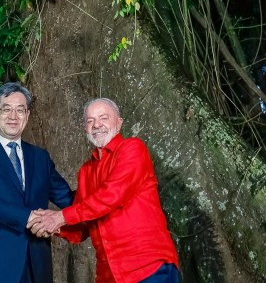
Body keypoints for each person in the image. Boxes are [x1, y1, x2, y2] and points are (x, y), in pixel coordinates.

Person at [29, 98, 180, 283]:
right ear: (85, 128)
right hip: (109, 272)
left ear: (119, 122)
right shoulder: (86, 171)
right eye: (90, 120)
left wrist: (59, 217)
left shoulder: (132, 148)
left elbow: (112, 196)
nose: (97, 125)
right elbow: (82, 227)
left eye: (103, 118)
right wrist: (47, 225)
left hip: (147, 265)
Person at [0, 83, 74, 283]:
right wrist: (27, 217)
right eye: (6, 109)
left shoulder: (40, 157)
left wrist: (106, 189)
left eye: (20, 110)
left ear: (27, 115)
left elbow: (69, 199)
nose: (13, 116)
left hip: (36, 262)